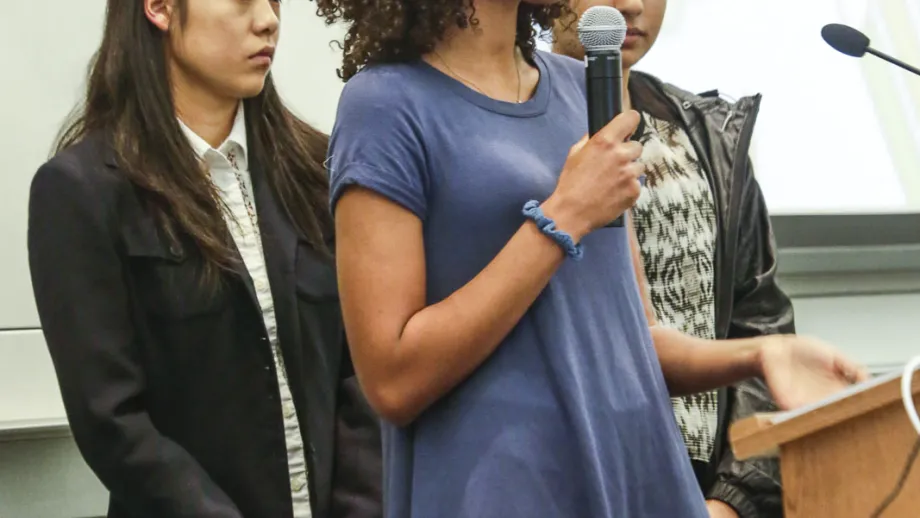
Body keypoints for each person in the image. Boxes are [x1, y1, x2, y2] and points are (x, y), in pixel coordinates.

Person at [316, 0, 866, 516]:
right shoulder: (384, 106)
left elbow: (632, 339)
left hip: (638, 475)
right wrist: (565, 217)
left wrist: (761, 353)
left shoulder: (586, 91)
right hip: (507, 489)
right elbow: (391, 380)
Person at [27, 1, 381, 517]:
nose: (268, 20)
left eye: (273, 1)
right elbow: (113, 420)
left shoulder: (314, 169)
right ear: (160, 8)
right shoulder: (85, 191)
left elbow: (360, 375)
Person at [552, 1, 788, 517]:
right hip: (561, 479)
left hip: (696, 490)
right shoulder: (503, 137)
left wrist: (734, 501)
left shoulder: (708, 136)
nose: (632, 3)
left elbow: (759, 326)